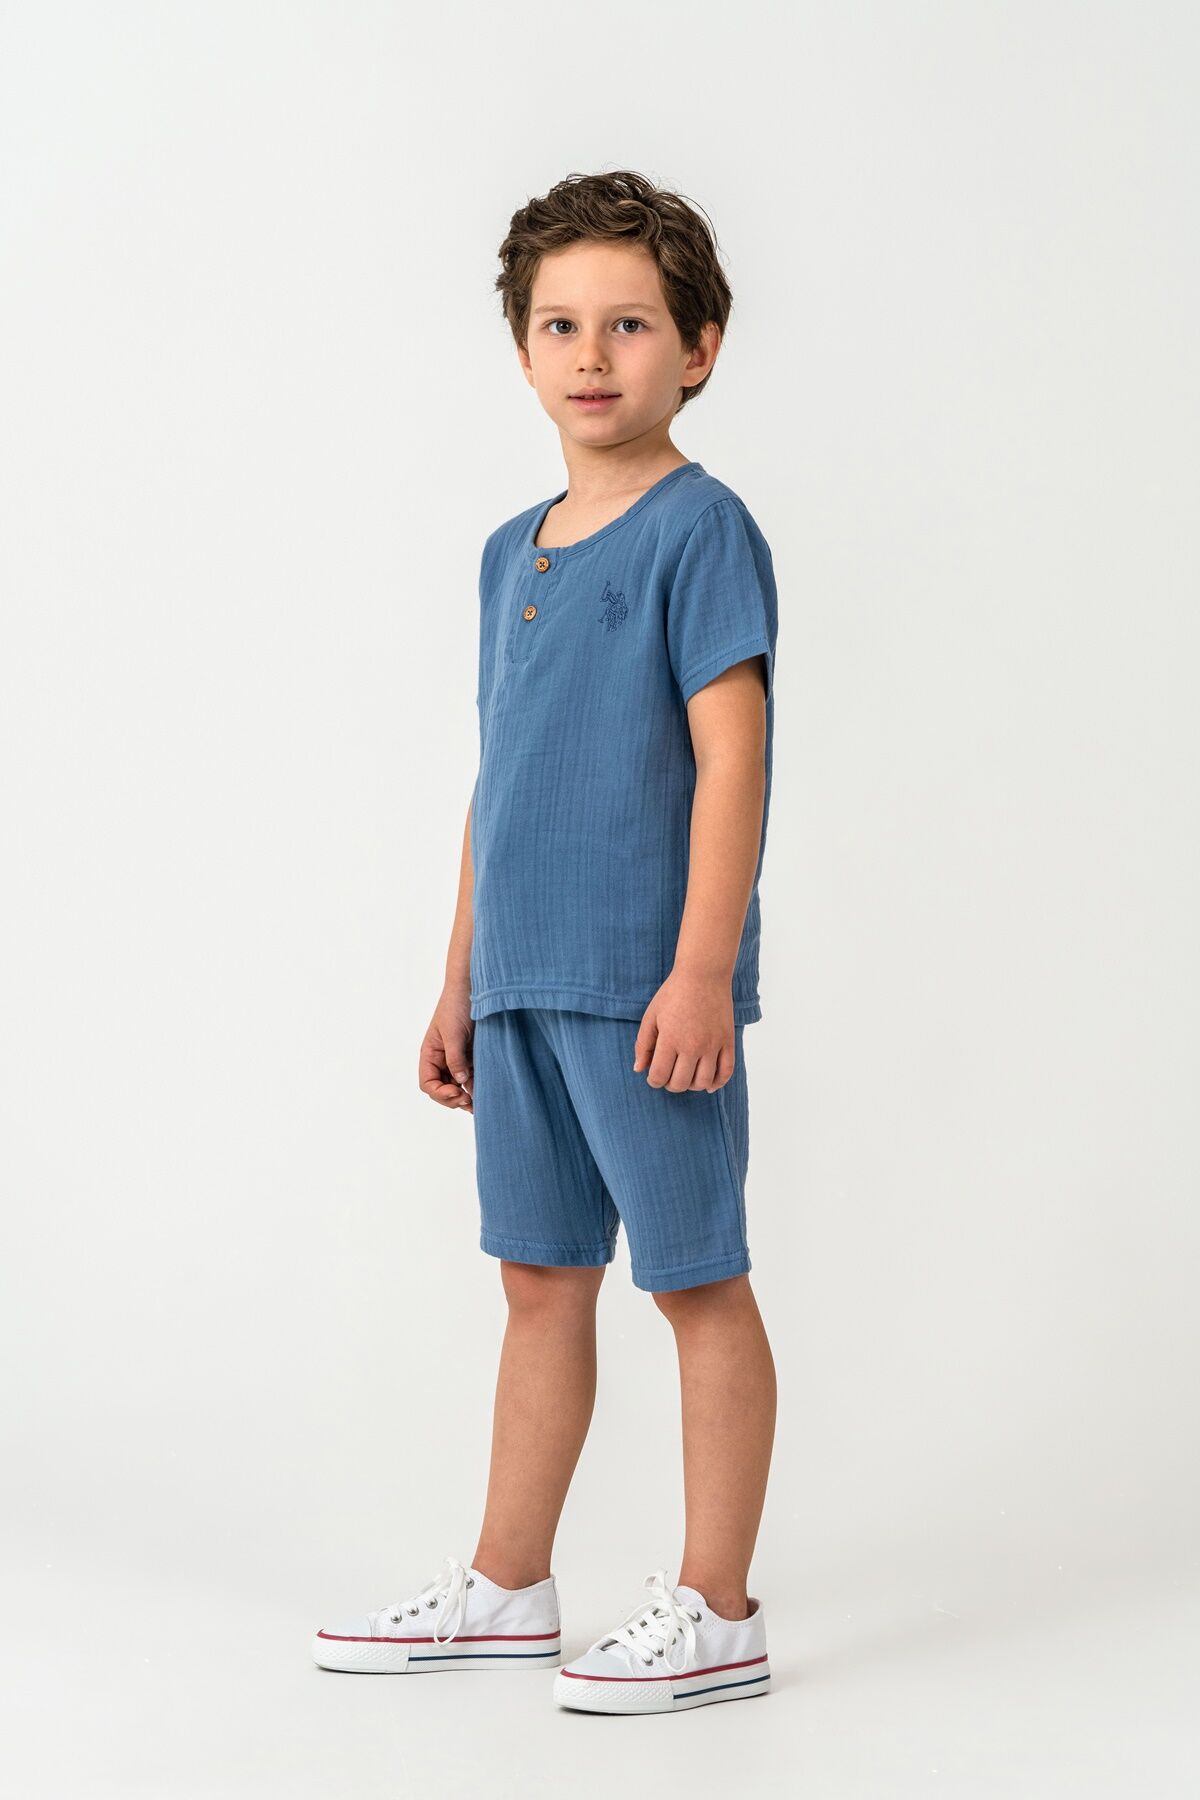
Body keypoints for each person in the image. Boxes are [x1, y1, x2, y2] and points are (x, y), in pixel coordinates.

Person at [312, 169, 780, 1716]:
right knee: (538, 1282)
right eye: (561, 325)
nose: (593, 354)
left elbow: (732, 760)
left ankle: (719, 1607)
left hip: (645, 991)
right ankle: (509, 1586)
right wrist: (458, 982)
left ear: (697, 348)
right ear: (522, 350)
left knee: (696, 1282)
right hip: (518, 988)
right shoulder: (509, 551)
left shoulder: (703, 531)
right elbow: (498, 777)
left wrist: (701, 970)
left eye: (630, 324)